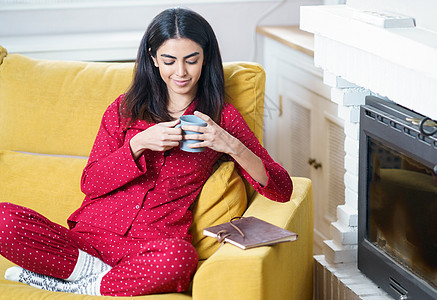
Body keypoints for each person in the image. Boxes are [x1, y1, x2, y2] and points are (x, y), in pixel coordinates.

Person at [0, 7, 293, 297]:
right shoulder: (124, 109)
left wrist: (229, 144)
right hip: (88, 239)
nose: (181, 72)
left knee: (181, 258)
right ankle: (97, 279)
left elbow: (281, 189)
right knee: (4, 218)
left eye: (191, 60)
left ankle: (83, 284)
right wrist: (137, 145)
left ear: (206, 59)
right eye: (169, 60)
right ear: (153, 58)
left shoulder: (222, 118)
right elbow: (90, 183)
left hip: (150, 248)